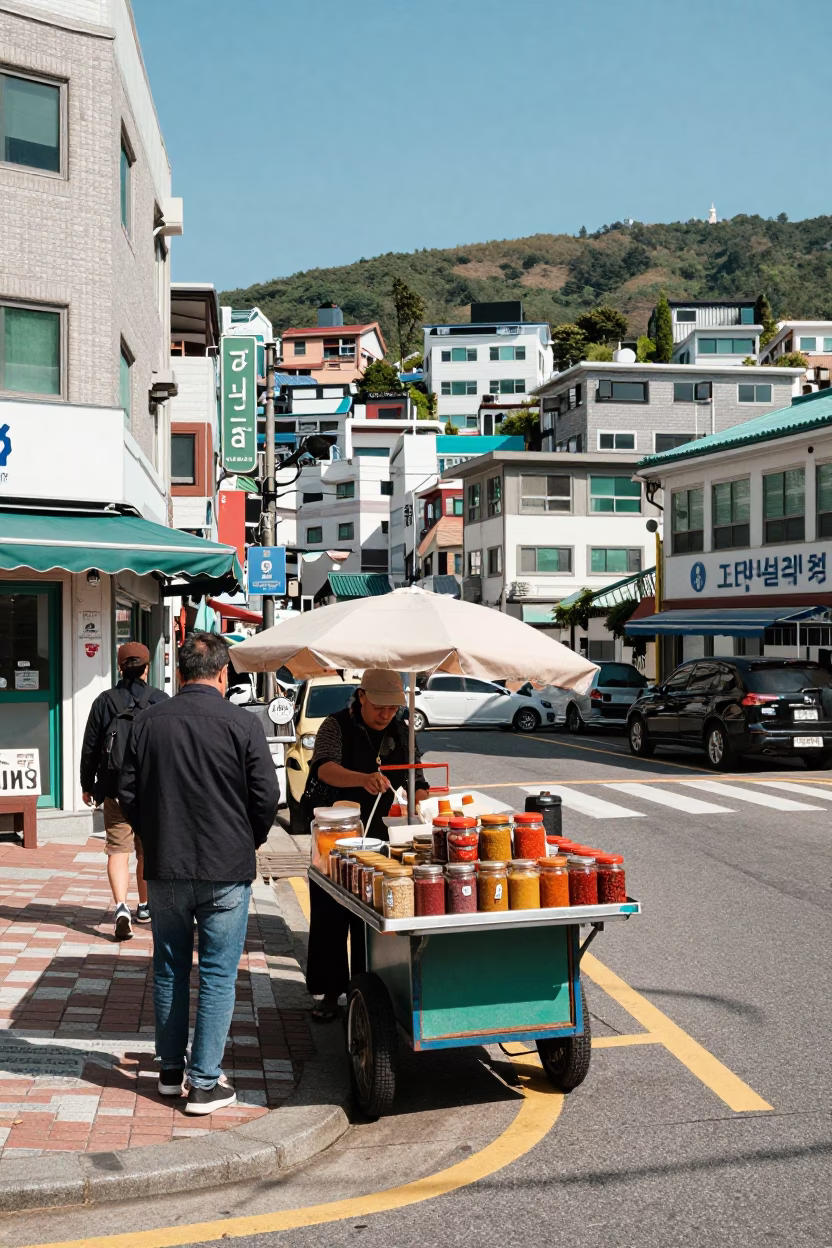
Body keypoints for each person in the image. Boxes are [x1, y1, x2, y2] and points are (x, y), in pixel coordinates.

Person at [118, 632, 279, 1115]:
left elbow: (127, 791)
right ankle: (204, 1083)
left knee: (168, 968)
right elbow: (266, 796)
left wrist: (153, 835)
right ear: (224, 674)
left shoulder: (148, 721)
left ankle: (171, 1071)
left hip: (166, 866)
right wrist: (247, 836)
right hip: (226, 866)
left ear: (180, 673)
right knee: (216, 973)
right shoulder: (242, 724)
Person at [303, 669, 429, 1022]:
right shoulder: (336, 724)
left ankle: (368, 990)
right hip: (335, 834)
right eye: (379, 707)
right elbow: (323, 768)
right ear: (361, 696)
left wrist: (422, 805)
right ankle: (330, 991)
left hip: (382, 835)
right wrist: (363, 779)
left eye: (392, 708)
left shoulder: (402, 731)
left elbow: (417, 777)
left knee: (373, 915)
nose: (385, 714)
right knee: (330, 913)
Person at [80, 642, 167, 940]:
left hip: (115, 789)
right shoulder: (160, 701)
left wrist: (87, 785)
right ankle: (145, 906)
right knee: (146, 849)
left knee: (118, 850)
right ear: (147, 667)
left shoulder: (104, 701)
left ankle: (121, 907)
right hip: (149, 791)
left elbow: (90, 747)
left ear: (119, 667)